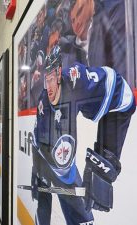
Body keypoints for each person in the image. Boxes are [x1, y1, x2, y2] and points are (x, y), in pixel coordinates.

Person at [31, 45, 135, 225]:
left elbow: (65, 158)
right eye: (45, 80)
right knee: (56, 173)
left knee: (98, 178)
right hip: (105, 108)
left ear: (59, 73)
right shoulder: (44, 100)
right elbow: (40, 140)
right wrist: (38, 171)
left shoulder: (74, 83)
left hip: (120, 103)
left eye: (51, 78)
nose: (48, 86)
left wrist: (103, 172)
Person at [68, 0, 127, 81]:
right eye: (73, 20)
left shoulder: (108, 17)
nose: (76, 23)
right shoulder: (72, 48)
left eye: (79, 12)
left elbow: (122, 64)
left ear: (90, 3)